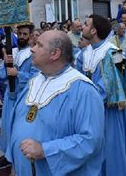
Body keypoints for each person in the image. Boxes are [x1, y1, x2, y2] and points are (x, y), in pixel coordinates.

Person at [6, 30, 105, 175]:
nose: (32, 48)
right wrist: (15, 163)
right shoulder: (34, 81)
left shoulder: (84, 91)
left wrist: (45, 150)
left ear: (55, 54)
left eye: (39, 45)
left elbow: (90, 140)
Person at [76, 14, 126, 176]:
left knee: (111, 149)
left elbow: (122, 79)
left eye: (86, 24)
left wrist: (92, 98)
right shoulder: (82, 54)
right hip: (88, 111)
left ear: (94, 31)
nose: (82, 27)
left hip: (110, 112)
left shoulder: (116, 53)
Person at [0, 23, 40, 170]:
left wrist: (18, 74)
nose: (21, 37)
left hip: (25, 97)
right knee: (8, 125)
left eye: (25, 34)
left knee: (21, 127)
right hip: (10, 96)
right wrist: (5, 65)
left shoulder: (34, 53)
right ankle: (8, 155)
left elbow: (36, 77)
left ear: (30, 36)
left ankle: (21, 155)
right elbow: (2, 75)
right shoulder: (11, 52)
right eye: (19, 33)